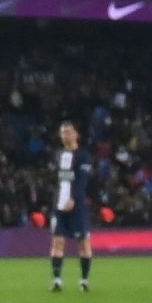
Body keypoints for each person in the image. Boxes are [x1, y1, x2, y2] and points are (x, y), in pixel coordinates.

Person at [49, 121, 95, 292]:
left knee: (83, 242)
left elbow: (82, 181)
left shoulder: (83, 156)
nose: (65, 135)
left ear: (76, 134)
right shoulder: (58, 155)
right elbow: (56, 181)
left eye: (68, 132)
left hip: (78, 206)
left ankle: (84, 280)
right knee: (58, 242)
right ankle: (57, 280)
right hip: (59, 207)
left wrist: (74, 199)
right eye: (62, 133)